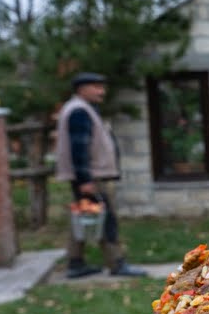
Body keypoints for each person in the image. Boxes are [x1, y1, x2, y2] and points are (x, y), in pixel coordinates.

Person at [54, 72, 145, 278]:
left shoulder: (81, 109)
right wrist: (85, 180)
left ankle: (75, 263)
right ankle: (117, 263)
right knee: (106, 218)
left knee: (85, 216)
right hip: (91, 177)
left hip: (89, 176)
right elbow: (79, 148)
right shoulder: (79, 111)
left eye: (102, 86)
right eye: (96, 86)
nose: (101, 91)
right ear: (81, 89)